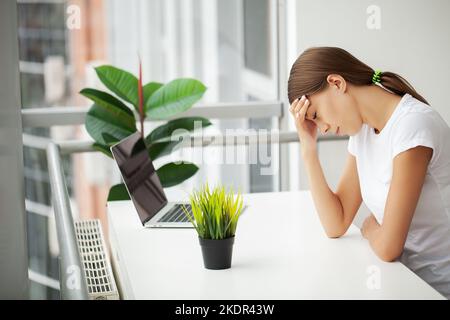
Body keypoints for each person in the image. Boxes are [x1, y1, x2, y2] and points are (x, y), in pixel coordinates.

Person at [287, 46, 450, 299]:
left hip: (438, 287)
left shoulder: (412, 127)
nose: (324, 128)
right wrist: (308, 149)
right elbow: (336, 223)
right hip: (403, 280)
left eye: (316, 115)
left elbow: (388, 248)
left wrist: (369, 226)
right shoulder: (362, 131)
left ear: (336, 83)